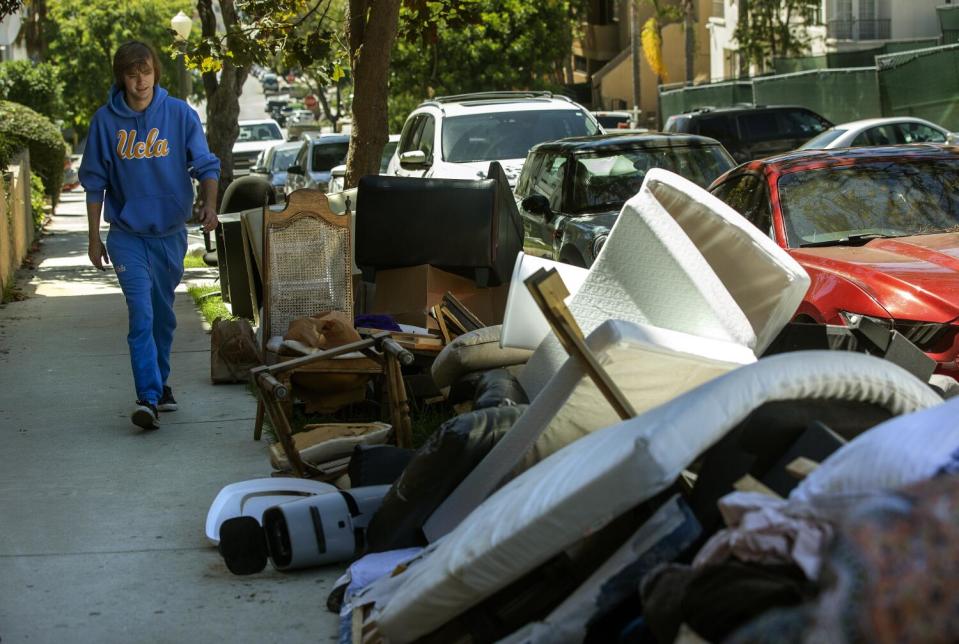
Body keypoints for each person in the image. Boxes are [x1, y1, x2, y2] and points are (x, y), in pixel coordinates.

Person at [79, 41, 220, 430]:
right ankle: (148, 397)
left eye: (145, 71)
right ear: (121, 78)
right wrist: (94, 238)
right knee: (141, 313)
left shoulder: (179, 115)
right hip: (127, 234)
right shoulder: (105, 123)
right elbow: (95, 184)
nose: (139, 81)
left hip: (170, 234)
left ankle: (160, 381)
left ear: (156, 72)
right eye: (130, 74)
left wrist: (210, 204)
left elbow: (206, 165)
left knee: (162, 316)